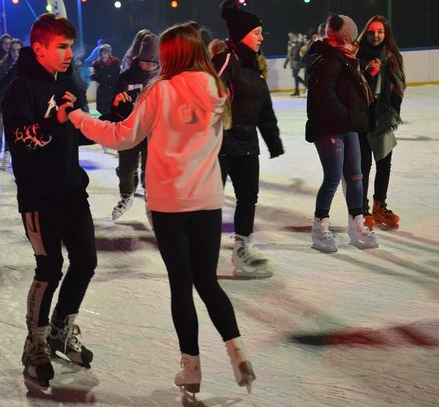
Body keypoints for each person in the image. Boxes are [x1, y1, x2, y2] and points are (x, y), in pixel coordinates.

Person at [68, 23, 256, 397]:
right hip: (206, 200)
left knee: (181, 285)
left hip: (170, 203)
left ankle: (191, 367)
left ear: (172, 55)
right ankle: (238, 352)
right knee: (208, 281)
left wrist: (77, 117)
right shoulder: (217, 89)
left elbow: (124, 135)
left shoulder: (160, 90)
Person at [1, 13, 95, 391]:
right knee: (49, 267)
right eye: (61, 46)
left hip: (73, 191)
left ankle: (59, 331)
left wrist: (117, 117)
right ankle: (35, 345)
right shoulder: (19, 89)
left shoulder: (70, 81)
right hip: (39, 198)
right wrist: (55, 121)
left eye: (70, 46)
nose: (69, 53)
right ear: (38, 48)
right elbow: (23, 139)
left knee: (86, 262)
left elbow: (78, 134)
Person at [212, 0, 284, 278]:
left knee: (248, 197)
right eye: (256, 33)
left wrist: (273, 141)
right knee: (210, 200)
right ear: (242, 34)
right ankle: (199, 249)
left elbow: (264, 109)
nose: (261, 37)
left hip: (247, 143)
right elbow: (207, 94)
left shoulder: (255, 65)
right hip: (220, 144)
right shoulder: (226, 59)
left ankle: (242, 247)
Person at [305, 14, 379, 252]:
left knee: (356, 177)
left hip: (348, 126)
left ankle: (357, 224)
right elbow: (324, 95)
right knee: (333, 178)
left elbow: (348, 91)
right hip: (330, 127)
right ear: (346, 36)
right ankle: (320, 227)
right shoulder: (328, 58)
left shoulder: (344, 58)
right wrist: (346, 117)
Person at [357, 15, 405, 229]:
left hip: (384, 116)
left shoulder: (393, 57)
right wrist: (365, 72)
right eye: (371, 31)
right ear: (365, 33)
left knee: (384, 164)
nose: (375, 35)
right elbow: (348, 85)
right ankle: (362, 209)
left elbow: (398, 88)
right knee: (363, 166)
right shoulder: (356, 55)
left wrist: (393, 113)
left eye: (380, 32)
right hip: (361, 116)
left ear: (386, 34)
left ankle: (379, 206)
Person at [110, 34, 159, 221]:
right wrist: (118, 104)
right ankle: (126, 195)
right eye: (146, 61)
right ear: (140, 58)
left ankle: (152, 203)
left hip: (153, 132)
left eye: (154, 63)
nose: (150, 66)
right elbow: (113, 103)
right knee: (126, 167)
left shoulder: (162, 77)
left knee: (152, 168)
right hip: (129, 127)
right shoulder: (126, 77)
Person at [0, 38, 23, 167]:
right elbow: (0, 83)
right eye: (13, 50)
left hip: (24, 103)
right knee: (6, 124)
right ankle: (4, 149)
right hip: (7, 101)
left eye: (18, 50)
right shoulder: (3, 64)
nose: (15, 53)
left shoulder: (28, 64)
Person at [90, 44, 120, 115]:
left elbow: (117, 75)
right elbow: (97, 77)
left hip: (113, 89)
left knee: (113, 109)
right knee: (102, 109)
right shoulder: (96, 64)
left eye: (105, 53)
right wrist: (93, 77)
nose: (103, 55)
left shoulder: (115, 62)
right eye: (101, 53)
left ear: (109, 53)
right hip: (102, 90)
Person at [283, 31, 306, 97]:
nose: (290, 37)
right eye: (289, 36)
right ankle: (300, 88)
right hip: (293, 63)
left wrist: (299, 40)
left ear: (295, 35)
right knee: (295, 76)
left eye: (291, 35)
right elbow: (288, 54)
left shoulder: (298, 43)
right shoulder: (290, 43)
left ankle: (301, 87)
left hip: (297, 62)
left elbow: (300, 48)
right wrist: (285, 63)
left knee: (295, 75)